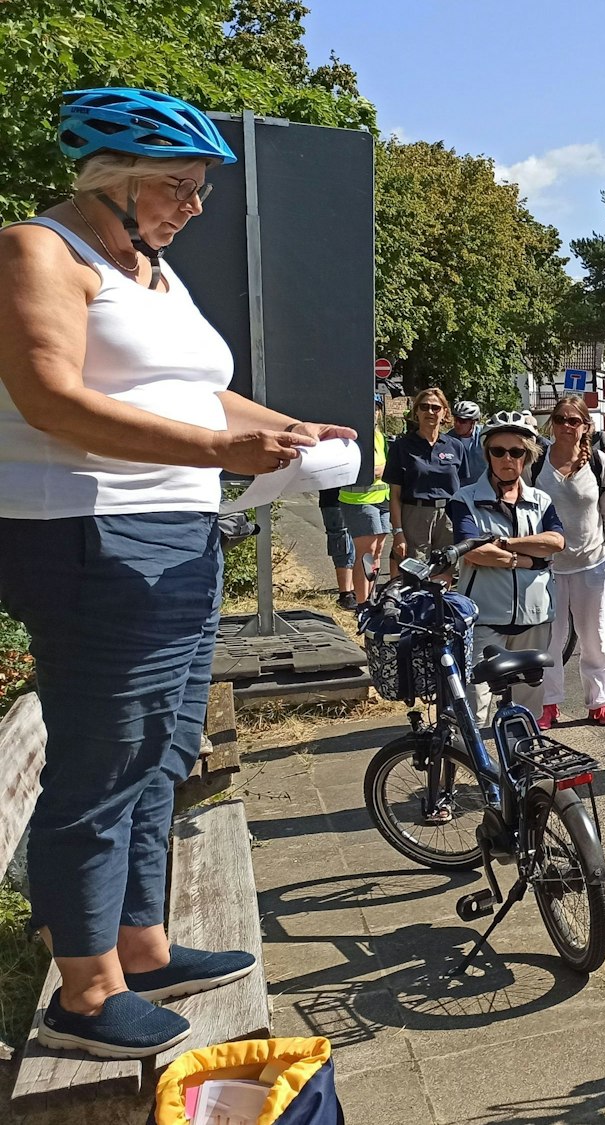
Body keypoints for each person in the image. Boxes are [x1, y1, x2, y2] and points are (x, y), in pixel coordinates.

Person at [0, 87, 352, 1057]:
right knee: (107, 753)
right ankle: (86, 988)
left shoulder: (150, 272)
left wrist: (278, 430)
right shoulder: (39, 252)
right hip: (90, 534)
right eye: (178, 188)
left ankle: (142, 944)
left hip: (180, 536)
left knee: (163, 746)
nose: (193, 208)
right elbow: (52, 396)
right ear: (111, 181)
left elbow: (202, 392)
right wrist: (215, 449)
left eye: (199, 191)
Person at [448, 411, 564, 725]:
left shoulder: (541, 500)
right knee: (474, 708)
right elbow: (475, 552)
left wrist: (507, 543)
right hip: (484, 618)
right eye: (498, 451)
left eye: (516, 452)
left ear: (527, 457)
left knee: (527, 711)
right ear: (487, 454)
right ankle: (472, 771)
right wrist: (525, 559)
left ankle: (521, 769)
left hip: (534, 619)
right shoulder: (465, 499)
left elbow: (556, 542)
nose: (507, 459)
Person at [532, 394, 605, 730]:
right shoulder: (536, 464)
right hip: (548, 568)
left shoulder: (599, 463)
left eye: (574, 420)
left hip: (592, 565)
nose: (566, 426)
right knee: (549, 641)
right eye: (560, 419)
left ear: (586, 426)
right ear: (551, 423)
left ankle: (600, 702)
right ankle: (547, 704)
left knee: (595, 638)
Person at [386, 387, 473, 559]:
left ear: (444, 413)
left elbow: (464, 489)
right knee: (415, 573)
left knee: (446, 570)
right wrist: (397, 532)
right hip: (415, 515)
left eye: (436, 408)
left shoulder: (456, 446)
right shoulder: (401, 447)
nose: (430, 412)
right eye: (424, 407)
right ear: (416, 411)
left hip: (448, 516)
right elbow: (394, 495)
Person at [337, 399, 394, 606]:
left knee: (377, 551)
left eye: (377, 409)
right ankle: (363, 604)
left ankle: (371, 599)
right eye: (369, 409)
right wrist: (378, 469)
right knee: (366, 552)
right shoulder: (351, 436)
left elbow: (387, 467)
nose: (374, 414)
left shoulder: (379, 436)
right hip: (358, 499)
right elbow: (369, 469)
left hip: (382, 498)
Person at [317, 486, 358, 610]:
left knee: (358, 543)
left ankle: (354, 591)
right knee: (342, 540)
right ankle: (345, 593)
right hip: (334, 499)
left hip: (360, 498)